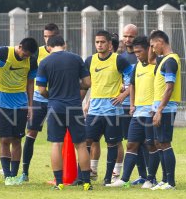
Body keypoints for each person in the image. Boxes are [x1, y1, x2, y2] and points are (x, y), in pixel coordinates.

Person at [36, 35, 92, 190]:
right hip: (74, 106)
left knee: (56, 144)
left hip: (55, 107)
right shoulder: (76, 59)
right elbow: (87, 83)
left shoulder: (45, 62)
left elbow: (41, 90)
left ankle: (59, 182)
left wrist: (51, 96)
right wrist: (75, 87)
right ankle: (86, 182)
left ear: (48, 47)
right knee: (81, 144)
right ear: (64, 44)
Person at [107, 36, 161, 188]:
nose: (137, 54)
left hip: (151, 113)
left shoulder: (157, 66)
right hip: (137, 113)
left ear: (149, 49)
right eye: (135, 52)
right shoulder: (137, 66)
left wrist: (157, 109)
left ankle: (151, 179)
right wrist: (132, 105)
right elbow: (132, 85)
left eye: (140, 51)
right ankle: (124, 179)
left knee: (151, 145)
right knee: (131, 144)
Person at [0, 38, 38, 185]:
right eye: (24, 54)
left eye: (28, 55)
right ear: (19, 47)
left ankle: (14, 176)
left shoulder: (32, 61)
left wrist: (30, 106)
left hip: (21, 104)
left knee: (17, 139)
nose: (25, 57)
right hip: (3, 104)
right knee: (4, 139)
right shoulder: (3, 53)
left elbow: (30, 84)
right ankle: (7, 175)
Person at [84, 30, 132, 185]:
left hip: (113, 111)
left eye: (102, 42)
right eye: (97, 42)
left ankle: (108, 178)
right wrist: (87, 101)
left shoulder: (119, 60)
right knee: (87, 141)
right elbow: (90, 83)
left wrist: (122, 96)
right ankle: (85, 175)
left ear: (110, 44)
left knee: (112, 143)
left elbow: (134, 80)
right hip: (94, 110)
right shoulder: (90, 61)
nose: (99, 45)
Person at [22, 23, 59, 182]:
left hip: (55, 100)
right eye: (45, 36)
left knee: (57, 138)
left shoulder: (62, 54)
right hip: (38, 98)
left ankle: (57, 175)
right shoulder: (36, 53)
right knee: (31, 133)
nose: (47, 39)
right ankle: (24, 173)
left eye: (50, 37)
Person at [149, 30, 181, 190]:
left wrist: (160, 110)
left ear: (161, 42)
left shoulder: (170, 61)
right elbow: (149, 59)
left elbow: (169, 88)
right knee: (158, 142)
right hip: (159, 108)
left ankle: (171, 182)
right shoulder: (163, 60)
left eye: (153, 45)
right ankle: (164, 179)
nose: (153, 49)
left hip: (166, 109)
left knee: (164, 142)